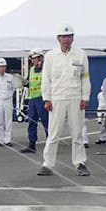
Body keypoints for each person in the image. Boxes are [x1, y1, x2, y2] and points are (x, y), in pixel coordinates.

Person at [38, 24, 91, 176]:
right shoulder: (50, 56)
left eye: (69, 37)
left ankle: (80, 163)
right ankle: (47, 164)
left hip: (75, 97)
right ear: (58, 39)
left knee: (77, 133)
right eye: (63, 37)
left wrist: (85, 97)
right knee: (53, 133)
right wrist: (46, 98)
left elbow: (85, 77)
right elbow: (46, 79)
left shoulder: (80, 54)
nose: (67, 40)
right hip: (57, 98)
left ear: (73, 38)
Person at [21, 48, 48, 153]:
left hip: (42, 98)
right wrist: (24, 83)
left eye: (35, 58)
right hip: (32, 98)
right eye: (32, 59)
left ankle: (50, 144)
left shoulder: (46, 69)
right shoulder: (31, 69)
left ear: (41, 58)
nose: (33, 60)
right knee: (32, 122)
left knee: (46, 122)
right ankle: (31, 144)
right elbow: (30, 83)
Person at [0, 57, 15, 147]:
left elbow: (13, 88)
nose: (2, 68)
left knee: (8, 120)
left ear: (5, 67)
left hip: (8, 99)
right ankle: (0, 140)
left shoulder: (10, 77)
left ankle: (8, 139)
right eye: (0, 67)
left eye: (3, 66)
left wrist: (8, 95)